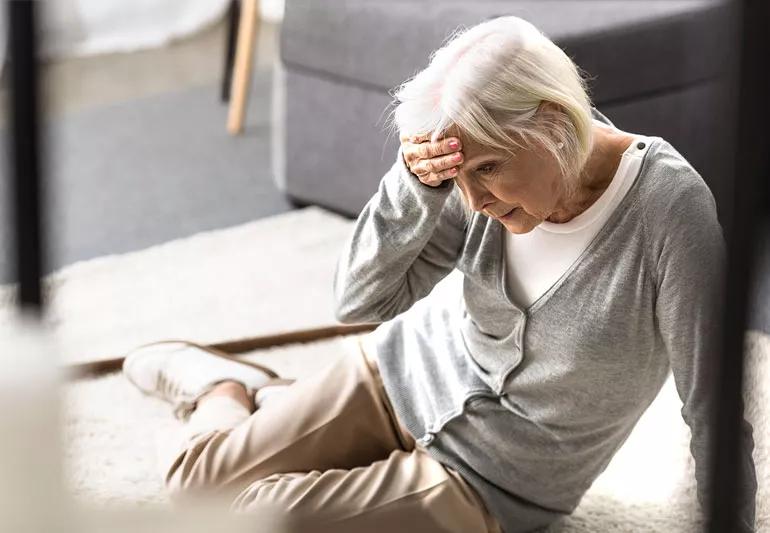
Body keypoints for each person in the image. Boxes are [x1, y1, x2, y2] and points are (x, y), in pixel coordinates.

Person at [122, 15, 757, 533]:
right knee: (194, 486)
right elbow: (361, 300)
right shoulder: (472, 182)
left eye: (486, 170)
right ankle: (227, 389)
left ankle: (272, 404)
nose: (474, 200)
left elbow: (713, 404)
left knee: (258, 519)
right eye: (459, 176)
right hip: (398, 373)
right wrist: (416, 185)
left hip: (488, 481)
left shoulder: (670, 213)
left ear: (556, 126)